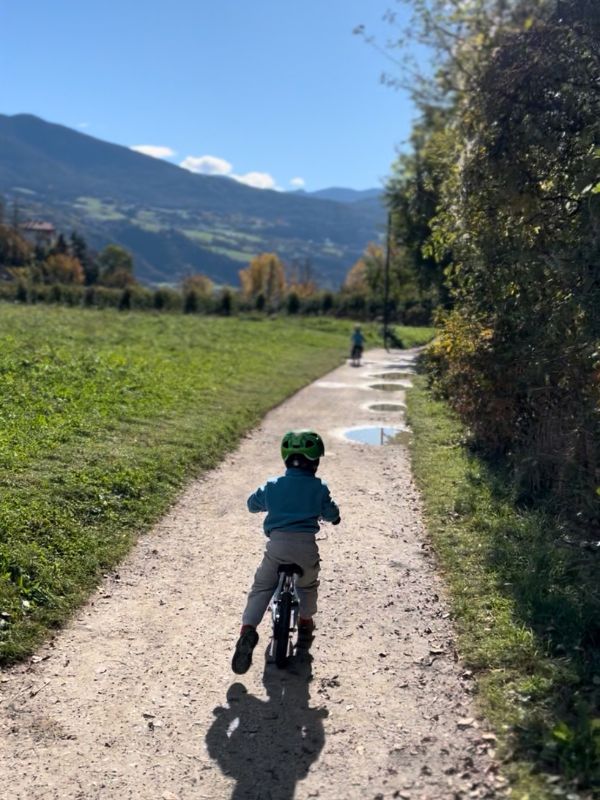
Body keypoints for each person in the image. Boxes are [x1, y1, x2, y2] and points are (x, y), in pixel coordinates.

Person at [231, 430, 341, 675]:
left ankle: (248, 629)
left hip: (277, 547)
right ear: (315, 462)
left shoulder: (273, 485)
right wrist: (334, 518)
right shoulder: (319, 487)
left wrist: (266, 503)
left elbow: (251, 504)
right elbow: (330, 511)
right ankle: (304, 623)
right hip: (305, 547)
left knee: (262, 587)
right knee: (307, 586)